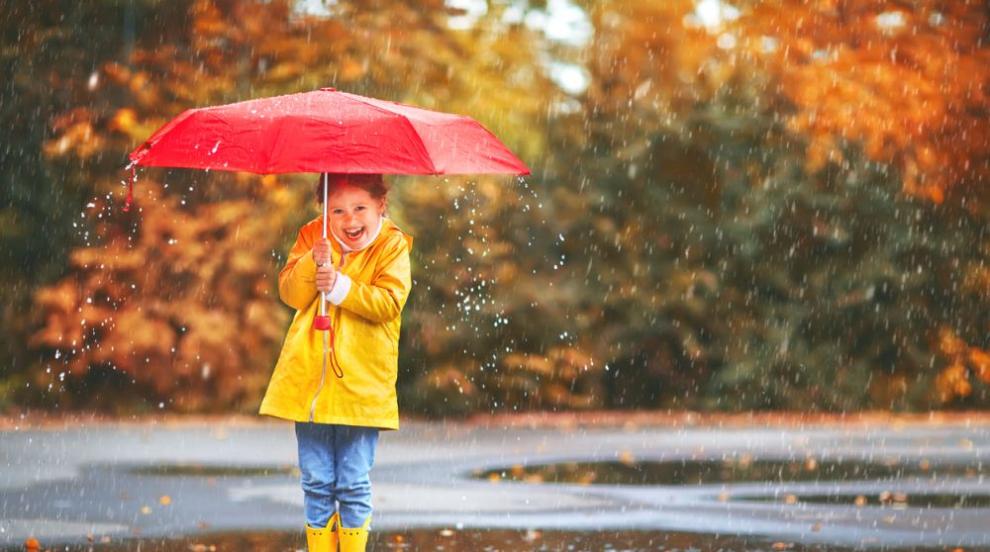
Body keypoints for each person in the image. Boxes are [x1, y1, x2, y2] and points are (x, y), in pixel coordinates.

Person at [259, 173, 413, 552]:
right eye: (337, 211)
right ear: (324, 211)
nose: (349, 220)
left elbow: (389, 303)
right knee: (316, 480)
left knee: (352, 481)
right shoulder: (314, 236)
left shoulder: (391, 245)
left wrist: (341, 287)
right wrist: (312, 263)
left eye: (360, 208)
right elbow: (292, 294)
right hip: (311, 381)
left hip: (361, 384)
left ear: (380, 205)